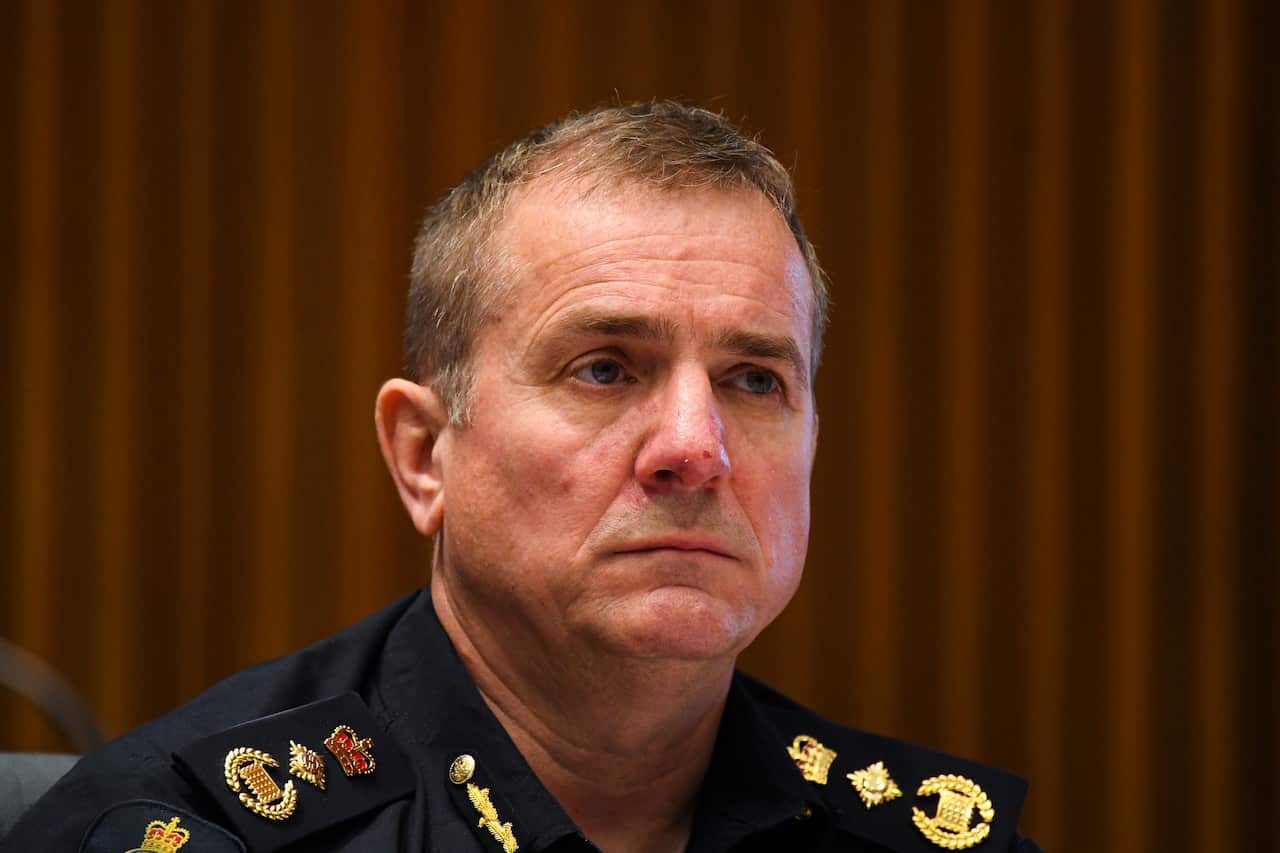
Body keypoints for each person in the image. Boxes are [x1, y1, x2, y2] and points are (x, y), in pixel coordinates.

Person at [3, 101, 1041, 853]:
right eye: (603, 368)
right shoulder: (193, 828)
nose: (694, 444)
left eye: (753, 380)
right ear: (422, 454)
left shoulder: (923, 832)